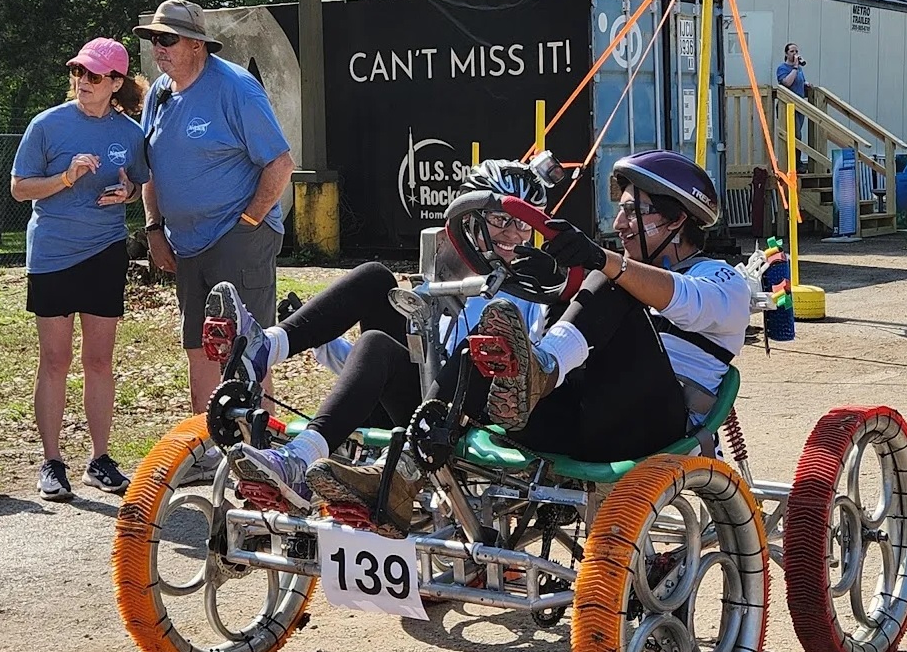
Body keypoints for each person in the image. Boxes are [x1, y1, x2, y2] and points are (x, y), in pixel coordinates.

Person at [308, 151, 750, 531]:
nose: (619, 222)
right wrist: (557, 289)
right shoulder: (618, 275)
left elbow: (684, 299)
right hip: (575, 417)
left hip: (652, 424)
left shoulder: (722, 280)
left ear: (677, 219)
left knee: (612, 283)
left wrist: (601, 264)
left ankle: (544, 369)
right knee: (480, 350)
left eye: (634, 210)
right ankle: (400, 476)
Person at [210, 160, 553, 516]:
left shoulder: (534, 285)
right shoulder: (443, 270)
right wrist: (324, 345)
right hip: (416, 402)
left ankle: (301, 459)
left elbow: (531, 377)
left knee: (466, 342)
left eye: (524, 224)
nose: (514, 234)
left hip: (462, 420)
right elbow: (372, 365)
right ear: (471, 217)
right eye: (501, 220)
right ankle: (265, 351)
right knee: (376, 280)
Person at [134, 0, 296, 415]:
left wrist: (248, 222)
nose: (158, 47)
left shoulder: (235, 88)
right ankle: (208, 446)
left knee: (245, 346)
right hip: (185, 245)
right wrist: (154, 230)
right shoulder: (159, 93)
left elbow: (280, 163)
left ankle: (260, 448)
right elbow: (151, 167)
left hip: (236, 237)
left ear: (197, 45)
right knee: (199, 347)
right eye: (154, 38)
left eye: (167, 39)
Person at [10, 38, 151, 501]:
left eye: (92, 76)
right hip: (52, 255)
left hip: (105, 253)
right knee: (54, 360)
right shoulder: (47, 125)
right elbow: (19, 189)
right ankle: (52, 462)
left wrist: (126, 193)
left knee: (99, 361)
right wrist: (66, 178)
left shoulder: (130, 133)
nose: (81, 83)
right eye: (77, 73)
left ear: (115, 83)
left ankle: (99, 459)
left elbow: (138, 186)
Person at [777, 43, 808, 171]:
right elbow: (786, 82)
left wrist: (806, 84)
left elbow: (800, 81)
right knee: (794, 135)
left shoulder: (799, 69)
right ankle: (794, 164)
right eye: (792, 51)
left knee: (798, 133)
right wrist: (795, 67)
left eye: (796, 51)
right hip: (787, 105)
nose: (794, 53)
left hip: (799, 105)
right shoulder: (782, 68)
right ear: (786, 54)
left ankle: (797, 162)